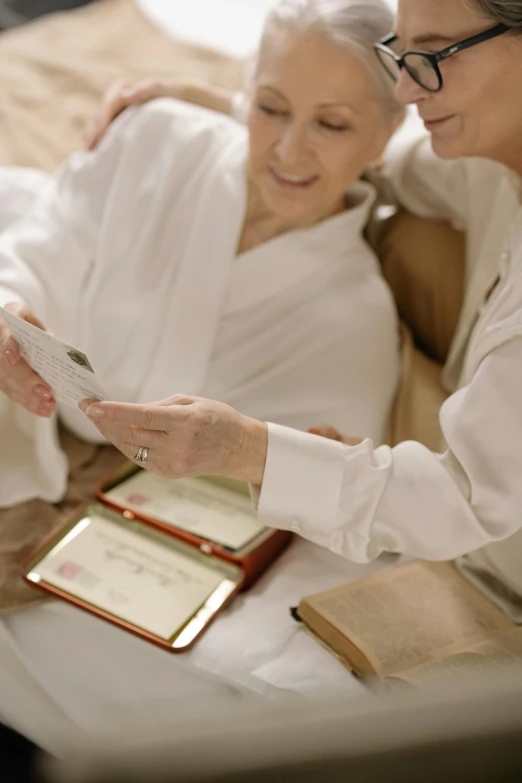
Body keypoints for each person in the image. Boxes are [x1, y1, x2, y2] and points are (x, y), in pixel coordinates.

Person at [0, 0, 403, 756]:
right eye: (270, 107)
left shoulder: (353, 320)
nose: (289, 148)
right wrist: (8, 311)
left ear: (385, 136)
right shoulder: (157, 139)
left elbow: (321, 498)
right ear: (241, 94)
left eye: (333, 124)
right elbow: (37, 246)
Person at [80, 0, 522, 572]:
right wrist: (249, 109)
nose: (408, 91)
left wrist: (245, 448)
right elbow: (379, 153)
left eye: (435, 55)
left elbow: (464, 499)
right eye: (403, 53)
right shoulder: (484, 158)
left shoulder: (354, 314)